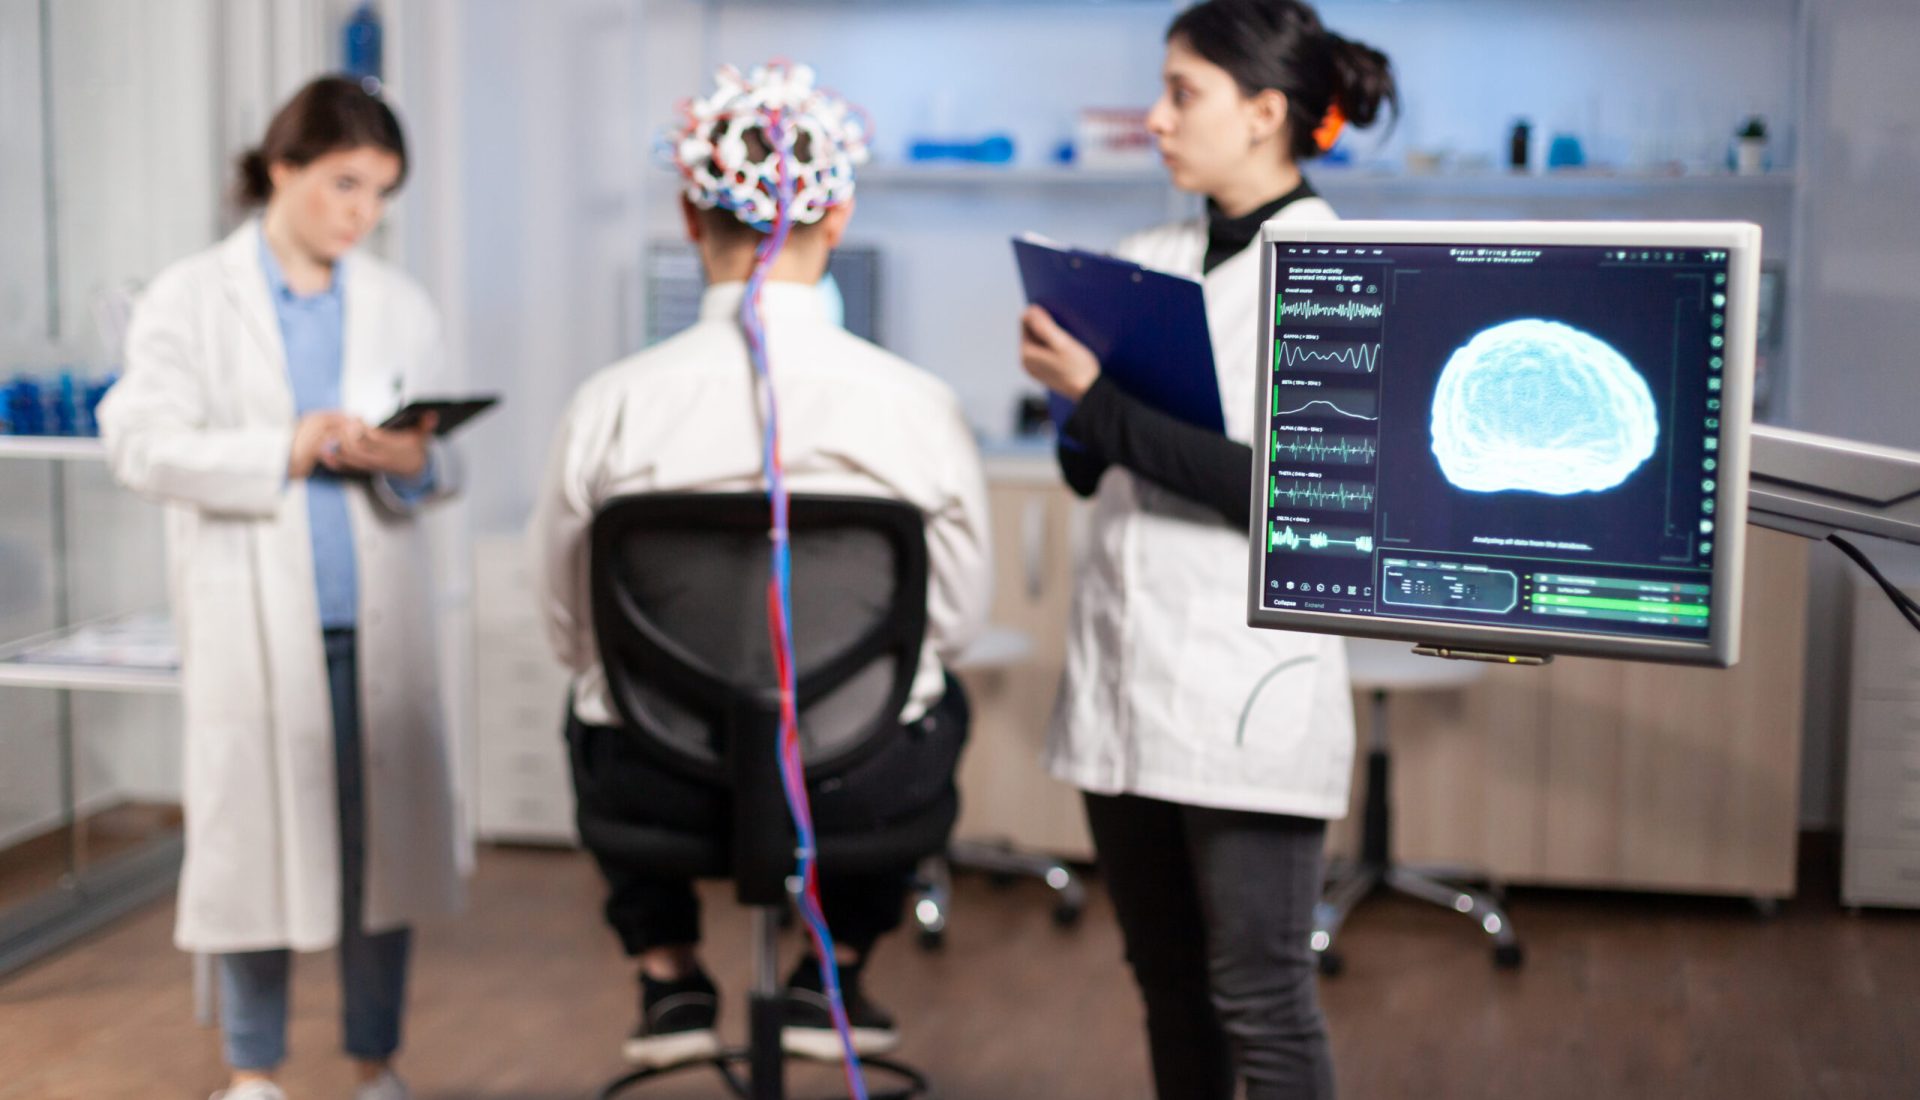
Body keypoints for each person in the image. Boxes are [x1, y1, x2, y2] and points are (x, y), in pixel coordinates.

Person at [529, 62, 990, 1069]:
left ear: (692, 218)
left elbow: (570, 633)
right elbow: (950, 626)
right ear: (840, 216)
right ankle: (840, 964)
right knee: (937, 696)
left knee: (586, 700)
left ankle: (667, 971)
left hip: (659, 786)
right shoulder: (915, 405)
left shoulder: (609, 405)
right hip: (856, 785)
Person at [1016, 2, 1397, 1097]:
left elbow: (1292, 497)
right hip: (1123, 683)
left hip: (1245, 693)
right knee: (1168, 987)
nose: (1155, 116)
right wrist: (1069, 401)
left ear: (1267, 112)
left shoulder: (1339, 272)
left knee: (1260, 998)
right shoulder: (1140, 259)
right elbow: (1092, 469)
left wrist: (1100, 400)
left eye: (1184, 93)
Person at [97, 76, 463, 1100]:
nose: (363, 213)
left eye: (381, 193)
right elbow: (139, 441)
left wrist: (407, 458)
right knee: (254, 855)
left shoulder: (398, 304)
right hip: (253, 620)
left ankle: (377, 1061)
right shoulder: (190, 297)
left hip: (374, 618)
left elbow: (445, 465)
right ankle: (254, 1072)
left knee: (376, 857)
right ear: (282, 167)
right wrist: (287, 448)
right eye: (346, 184)